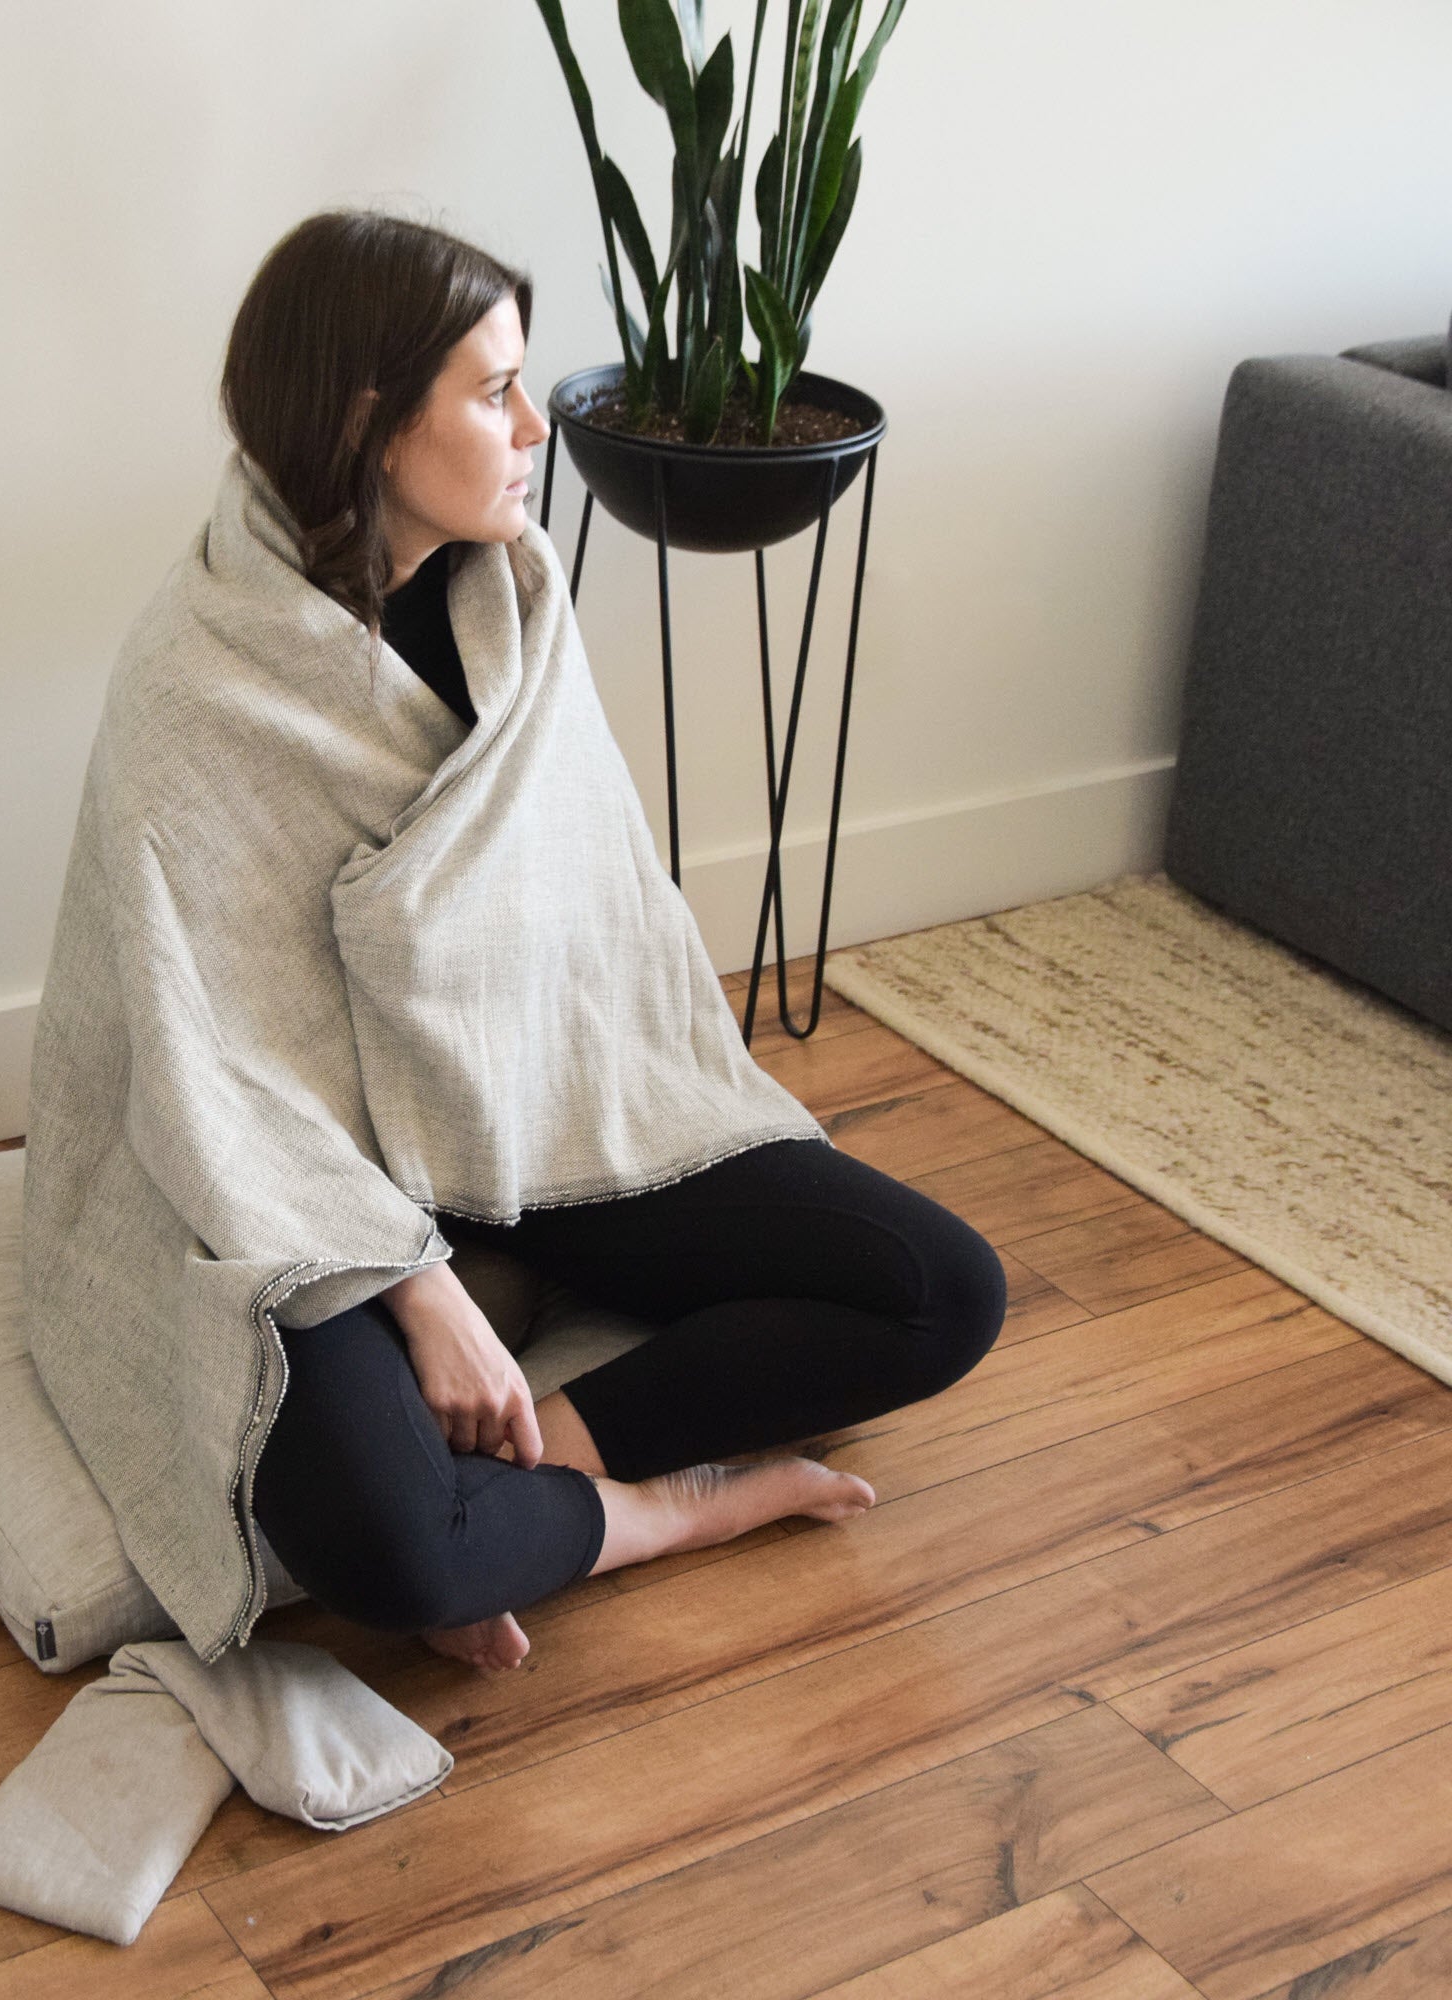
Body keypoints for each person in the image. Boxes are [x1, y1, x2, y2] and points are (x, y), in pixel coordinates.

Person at [215, 211, 1010, 1675]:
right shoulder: (204, 678)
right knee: (388, 1548)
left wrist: (523, 1400)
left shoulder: (508, 593)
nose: (534, 425)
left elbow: (582, 929)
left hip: (534, 1106)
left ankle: (563, 1471)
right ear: (366, 422)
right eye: (491, 392)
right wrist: (420, 1289)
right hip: (318, 1185)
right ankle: (651, 1521)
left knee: (944, 1292)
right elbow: (214, 1061)